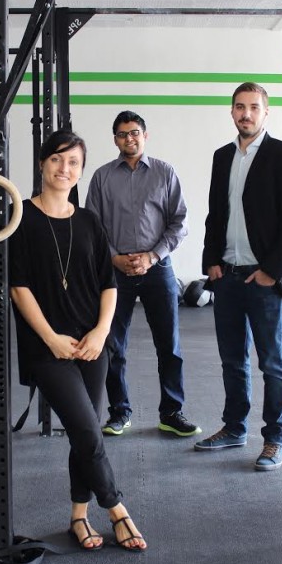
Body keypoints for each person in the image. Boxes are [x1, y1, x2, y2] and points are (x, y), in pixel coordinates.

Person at [9, 130, 147, 552]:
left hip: (91, 344)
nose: (63, 169)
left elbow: (108, 283)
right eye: (56, 159)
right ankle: (117, 509)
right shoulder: (20, 219)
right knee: (88, 430)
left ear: (81, 171)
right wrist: (50, 337)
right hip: (49, 347)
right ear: (42, 163)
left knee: (82, 434)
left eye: (72, 163)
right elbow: (19, 286)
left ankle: (78, 517)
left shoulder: (89, 221)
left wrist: (102, 332)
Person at [195, 82, 282, 472]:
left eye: (254, 107)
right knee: (232, 361)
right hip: (226, 276)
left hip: (263, 280)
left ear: (265, 112)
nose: (246, 114)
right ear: (231, 111)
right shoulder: (222, 156)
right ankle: (234, 428)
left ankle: (276, 438)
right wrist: (211, 260)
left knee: (272, 364)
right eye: (240, 107)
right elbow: (215, 213)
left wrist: (270, 272)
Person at [85, 110, 197, 438]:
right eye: (122, 134)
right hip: (115, 273)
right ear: (115, 139)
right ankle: (119, 412)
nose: (129, 138)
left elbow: (180, 222)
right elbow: (92, 227)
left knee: (169, 345)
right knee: (112, 344)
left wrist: (151, 256)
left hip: (157, 269)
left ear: (145, 136)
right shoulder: (102, 177)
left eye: (134, 132)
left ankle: (171, 412)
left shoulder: (165, 173)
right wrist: (114, 259)